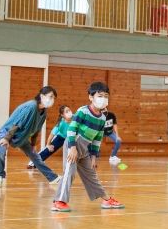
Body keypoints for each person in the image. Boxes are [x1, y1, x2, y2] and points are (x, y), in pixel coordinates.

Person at [52, 82, 124, 212]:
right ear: (91, 97)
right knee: (70, 172)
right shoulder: (83, 111)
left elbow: (97, 139)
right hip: (73, 144)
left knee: (91, 175)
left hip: (85, 148)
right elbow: (71, 129)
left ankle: (107, 200)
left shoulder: (102, 118)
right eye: (100, 95)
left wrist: (93, 157)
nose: (103, 99)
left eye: (106, 96)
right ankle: (59, 201)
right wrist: (72, 148)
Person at [0, 86, 58, 188]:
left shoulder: (44, 112)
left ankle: (52, 178)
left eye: (54, 98)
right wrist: (6, 138)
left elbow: (37, 129)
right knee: (0, 152)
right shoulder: (31, 107)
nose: (52, 100)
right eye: (50, 96)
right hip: (8, 132)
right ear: (42, 96)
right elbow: (17, 124)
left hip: (22, 136)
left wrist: (32, 144)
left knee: (36, 157)